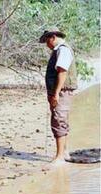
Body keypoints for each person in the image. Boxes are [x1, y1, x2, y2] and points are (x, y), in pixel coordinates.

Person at [39, 27, 78, 165]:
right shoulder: (60, 50)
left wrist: (55, 94)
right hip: (61, 91)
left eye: (46, 41)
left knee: (58, 120)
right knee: (61, 119)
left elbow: (62, 72)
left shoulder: (63, 49)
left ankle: (60, 156)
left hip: (62, 92)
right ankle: (64, 152)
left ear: (53, 37)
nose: (46, 45)